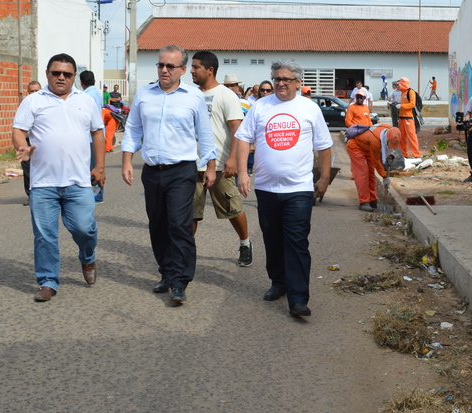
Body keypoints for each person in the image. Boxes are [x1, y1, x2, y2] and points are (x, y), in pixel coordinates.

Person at [234, 60, 333, 318]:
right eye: (277, 78)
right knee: (272, 238)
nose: (280, 83)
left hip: (299, 189)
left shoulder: (309, 109)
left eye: (286, 79)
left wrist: (323, 179)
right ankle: (278, 282)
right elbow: (243, 139)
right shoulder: (260, 107)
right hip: (266, 188)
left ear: (298, 82)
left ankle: (298, 299)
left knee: (297, 242)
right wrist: (244, 173)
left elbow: (324, 145)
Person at [121, 45, 217, 305]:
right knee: (158, 224)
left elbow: (205, 134)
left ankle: (180, 281)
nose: (164, 70)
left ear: (183, 70)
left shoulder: (193, 97)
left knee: (179, 224)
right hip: (152, 171)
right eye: (160, 65)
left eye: (170, 66)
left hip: (182, 171)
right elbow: (132, 130)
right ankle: (166, 272)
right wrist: (127, 161)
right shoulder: (144, 94)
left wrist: (210, 166)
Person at [13, 53, 106, 302]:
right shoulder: (34, 101)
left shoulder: (85, 101)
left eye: (67, 73)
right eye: (56, 73)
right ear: (47, 74)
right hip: (43, 183)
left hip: (78, 181)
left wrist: (100, 166)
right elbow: (19, 130)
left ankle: (87, 257)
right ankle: (48, 281)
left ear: (74, 76)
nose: (61, 77)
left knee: (85, 229)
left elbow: (98, 132)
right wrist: (22, 146)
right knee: (44, 235)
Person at [189, 51, 253, 266]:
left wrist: (233, 159)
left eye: (196, 67)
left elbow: (238, 129)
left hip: (220, 165)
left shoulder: (226, 95)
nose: (191, 71)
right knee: (192, 213)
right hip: (193, 164)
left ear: (210, 70)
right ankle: (186, 253)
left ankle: (245, 243)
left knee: (232, 208)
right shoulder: (191, 94)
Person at [347, 123, 401, 211]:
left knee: (371, 173)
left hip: (367, 148)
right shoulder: (375, 140)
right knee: (363, 173)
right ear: (387, 138)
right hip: (355, 147)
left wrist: (390, 154)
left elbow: (386, 148)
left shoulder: (390, 130)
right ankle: (364, 201)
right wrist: (384, 176)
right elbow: (376, 162)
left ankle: (373, 200)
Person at [80, 70, 105, 203]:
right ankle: (96, 194)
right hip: (97, 136)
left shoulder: (86, 96)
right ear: (94, 81)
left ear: (81, 82)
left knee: (93, 168)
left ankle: (96, 195)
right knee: (96, 166)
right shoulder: (96, 94)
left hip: (91, 138)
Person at [21, 80, 42, 206]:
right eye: (31, 91)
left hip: (40, 141)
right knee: (27, 168)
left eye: (36, 91)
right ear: (27, 92)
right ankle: (30, 195)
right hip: (27, 141)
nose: (34, 93)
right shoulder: (25, 105)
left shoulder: (46, 104)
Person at [396, 77, 421, 158]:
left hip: (408, 118)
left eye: (399, 84)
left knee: (412, 137)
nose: (398, 86)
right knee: (402, 137)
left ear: (403, 84)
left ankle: (416, 154)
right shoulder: (403, 93)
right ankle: (404, 154)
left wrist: (402, 106)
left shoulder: (411, 92)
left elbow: (412, 104)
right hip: (401, 118)